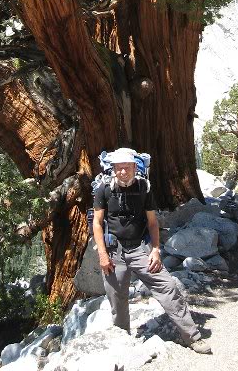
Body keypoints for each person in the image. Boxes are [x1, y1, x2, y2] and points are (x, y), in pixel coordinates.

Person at [92, 147, 212, 354]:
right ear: (113, 168)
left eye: (127, 167)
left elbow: (152, 222)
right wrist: (102, 254)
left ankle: (192, 337)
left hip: (139, 248)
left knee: (167, 286)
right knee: (116, 298)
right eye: (119, 168)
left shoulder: (144, 188)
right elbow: (97, 223)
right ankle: (122, 340)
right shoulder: (104, 189)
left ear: (133, 167)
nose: (123, 171)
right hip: (114, 251)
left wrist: (155, 250)